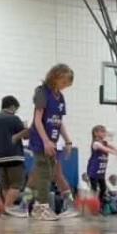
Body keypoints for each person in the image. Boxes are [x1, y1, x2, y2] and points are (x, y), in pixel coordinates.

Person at [27, 64, 76, 221]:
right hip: (40, 140)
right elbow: (37, 120)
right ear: (55, 76)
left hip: (52, 141)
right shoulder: (42, 92)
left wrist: (68, 141)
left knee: (44, 174)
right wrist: (46, 141)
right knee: (45, 173)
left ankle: (26, 203)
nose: (65, 85)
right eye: (64, 81)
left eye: (68, 83)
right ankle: (41, 208)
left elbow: (58, 122)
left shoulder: (60, 97)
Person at [0, 96, 31, 218]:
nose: (16, 112)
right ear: (12, 107)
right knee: (16, 184)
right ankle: (6, 207)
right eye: (16, 109)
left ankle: (8, 208)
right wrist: (26, 128)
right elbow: (26, 136)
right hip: (13, 156)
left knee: (5, 186)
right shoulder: (14, 119)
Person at [88, 125, 117, 204]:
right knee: (94, 190)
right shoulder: (95, 143)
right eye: (102, 131)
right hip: (93, 170)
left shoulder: (105, 143)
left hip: (101, 172)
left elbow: (114, 148)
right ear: (95, 133)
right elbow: (106, 149)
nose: (104, 133)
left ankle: (99, 206)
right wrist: (116, 154)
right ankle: (92, 205)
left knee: (103, 189)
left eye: (105, 131)